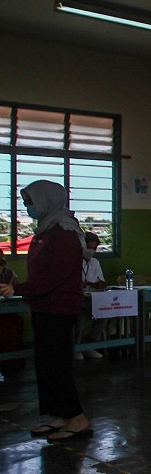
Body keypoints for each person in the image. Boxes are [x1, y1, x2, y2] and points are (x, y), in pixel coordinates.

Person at [0, 180, 92, 442]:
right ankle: (60, 414)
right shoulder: (46, 231)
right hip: (42, 307)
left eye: (31, 202)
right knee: (46, 365)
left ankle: (77, 418)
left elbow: (55, 277)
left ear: (48, 199)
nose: (28, 207)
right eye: (26, 202)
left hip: (59, 309)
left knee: (58, 365)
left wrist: (17, 289)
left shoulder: (65, 233)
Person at [75, 231, 108, 360]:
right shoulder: (74, 261)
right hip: (78, 301)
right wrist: (89, 284)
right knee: (80, 315)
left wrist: (96, 284)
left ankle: (90, 345)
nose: (92, 251)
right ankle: (77, 347)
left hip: (93, 300)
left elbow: (102, 282)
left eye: (94, 248)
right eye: (90, 247)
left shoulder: (95, 262)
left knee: (105, 313)